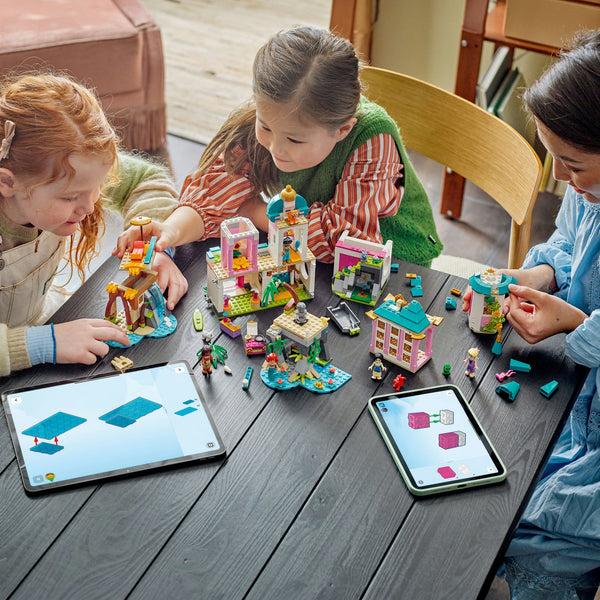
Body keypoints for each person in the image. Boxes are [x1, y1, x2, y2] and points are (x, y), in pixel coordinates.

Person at [116, 26, 442, 266]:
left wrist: (254, 211)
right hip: (304, 249)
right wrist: (170, 231)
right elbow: (213, 194)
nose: (276, 148)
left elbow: (344, 241)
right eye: (265, 126)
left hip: (396, 260)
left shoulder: (372, 137)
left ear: (342, 130)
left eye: (295, 140)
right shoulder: (277, 114)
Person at [465, 31, 600, 599]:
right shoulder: (587, 190)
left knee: (544, 533)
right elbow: (567, 244)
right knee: (497, 486)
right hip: (577, 392)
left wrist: (573, 325)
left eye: (573, 164)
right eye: (553, 158)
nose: (559, 178)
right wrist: (536, 275)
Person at [0, 72, 188, 377]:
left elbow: (147, 178)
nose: (89, 207)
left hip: (46, 320)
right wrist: (41, 344)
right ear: (7, 183)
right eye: (69, 197)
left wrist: (151, 243)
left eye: (98, 186)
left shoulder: (72, 168)